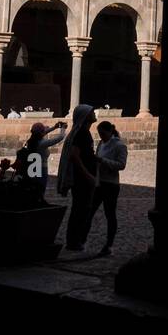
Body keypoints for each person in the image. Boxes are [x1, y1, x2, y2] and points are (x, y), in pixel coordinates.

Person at [58, 104, 98, 250]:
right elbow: (75, 156)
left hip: (83, 178)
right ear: (86, 116)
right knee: (81, 210)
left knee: (80, 209)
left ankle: (74, 241)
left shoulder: (82, 132)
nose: (94, 113)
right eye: (91, 111)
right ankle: (74, 242)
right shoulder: (82, 133)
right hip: (82, 179)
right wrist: (88, 175)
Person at [93, 121, 127, 255]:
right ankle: (82, 240)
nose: (101, 136)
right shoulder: (101, 143)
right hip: (99, 183)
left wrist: (103, 161)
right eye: (99, 133)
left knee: (110, 214)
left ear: (109, 132)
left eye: (102, 133)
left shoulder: (119, 145)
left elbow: (121, 165)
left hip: (111, 184)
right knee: (90, 211)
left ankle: (109, 244)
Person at [15, 120, 66, 199]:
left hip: (32, 168)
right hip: (41, 169)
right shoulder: (42, 143)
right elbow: (60, 138)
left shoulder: (31, 141)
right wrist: (63, 128)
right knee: (40, 190)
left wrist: (54, 127)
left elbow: (42, 133)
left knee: (33, 189)